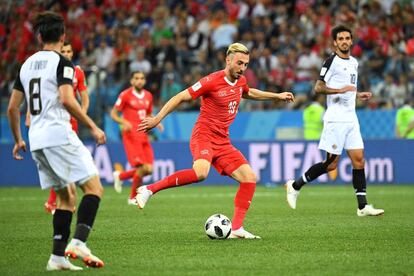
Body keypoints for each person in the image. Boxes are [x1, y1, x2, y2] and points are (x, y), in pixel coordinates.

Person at [137, 43, 294, 239]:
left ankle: (236, 228)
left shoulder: (240, 80)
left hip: (223, 140)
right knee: (201, 173)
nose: (242, 68)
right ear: (228, 60)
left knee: (249, 177)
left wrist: (277, 96)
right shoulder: (211, 81)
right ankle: (149, 189)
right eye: (239, 63)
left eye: (245, 64)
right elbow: (180, 97)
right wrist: (157, 118)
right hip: (203, 135)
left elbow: (248, 92)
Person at [7, 11, 106, 270]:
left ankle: (57, 257)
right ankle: (79, 242)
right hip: (58, 135)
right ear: (63, 37)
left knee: (66, 198)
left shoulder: (26, 65)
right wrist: (93, 126)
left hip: (36, 140)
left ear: (39, 36)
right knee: (95, 188)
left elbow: (12, 108)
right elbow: (66, 98)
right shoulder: (63, 63)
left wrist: (18, 139)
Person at [285, 25, 384, 217]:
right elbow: (318, 87)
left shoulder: (354, 62)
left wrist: (357, 94)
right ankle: (295, 185)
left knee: (359, 160)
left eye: (348, 38)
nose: (345, 41)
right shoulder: (331, 61)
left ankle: (362, 206)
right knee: (331, 164)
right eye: (341, 39)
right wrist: (338, 91)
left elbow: (348, 89)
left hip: (351, 119)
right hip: (335, 120)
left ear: (352, 41)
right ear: (335, 42)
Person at [44, 40, 90, 214]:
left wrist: (82, 114)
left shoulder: (78, 72)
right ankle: (54, 201)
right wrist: (28, 115)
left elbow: (84, 97)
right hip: (54, 119)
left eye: (69, 51)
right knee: (59, 160)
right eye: (63, 50)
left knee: (68, 160)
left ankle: (54, 202)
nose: (67, 54)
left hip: (71, 122)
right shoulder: (51, 70)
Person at [110, 71, 163, 205]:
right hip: (131, 136)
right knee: (141, 167)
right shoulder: (125, 95)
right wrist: (123, 122)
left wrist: (156, 121)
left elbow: (148, 113)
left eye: (142, 78)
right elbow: (113, 113)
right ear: (132, 81)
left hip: (143, 135)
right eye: (136, 78)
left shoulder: (148, 96)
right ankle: (132, 197)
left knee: (149, 169)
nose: (139, 80)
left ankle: (120, 176)